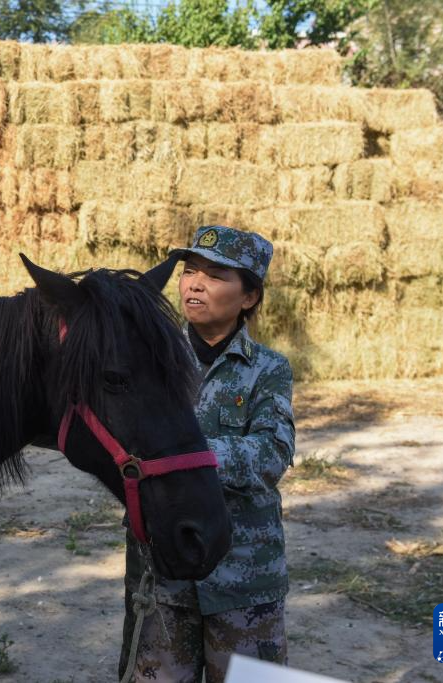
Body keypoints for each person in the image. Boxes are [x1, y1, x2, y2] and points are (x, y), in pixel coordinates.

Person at [120, 225, 295, 683]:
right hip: (162, 578)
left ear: (249, 297)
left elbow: (272, 454)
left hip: (245, 580)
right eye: (189, 271)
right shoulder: (146, 360)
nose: (194, 284)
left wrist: (183, 457)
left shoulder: (268, 369)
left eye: (215, 276)